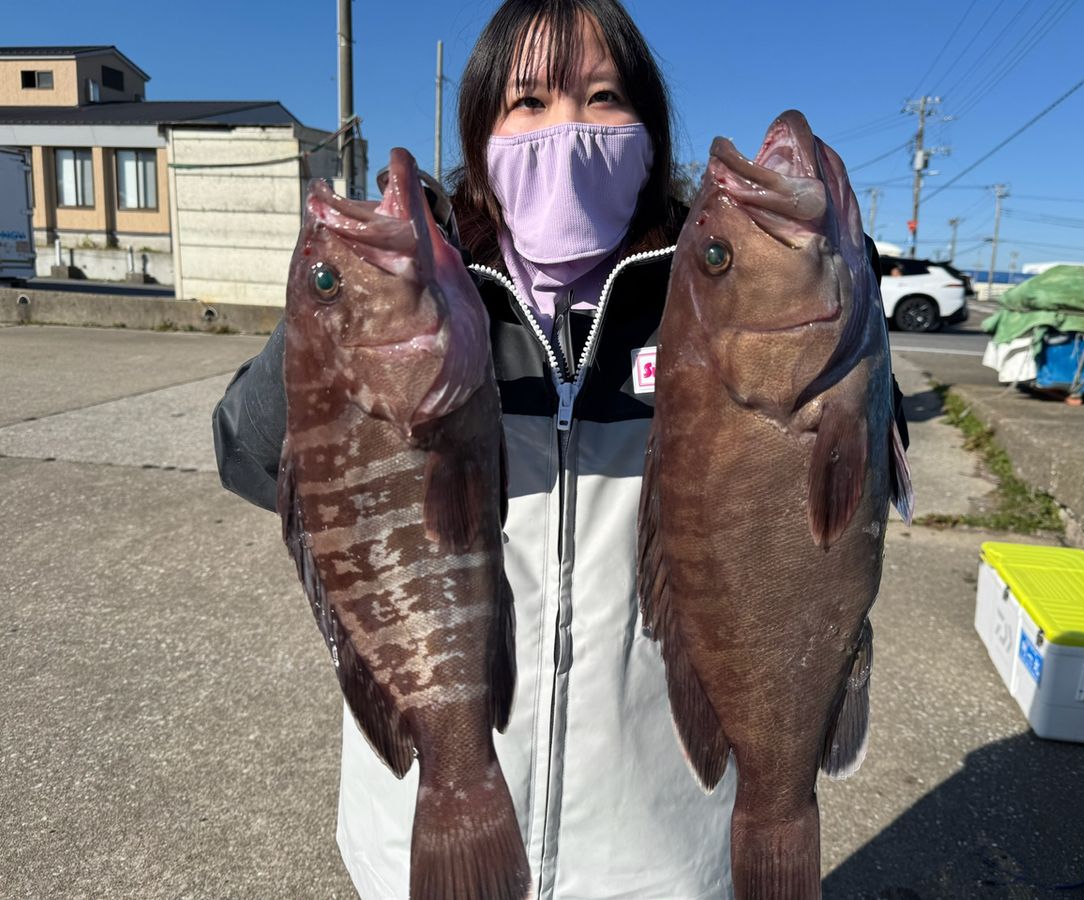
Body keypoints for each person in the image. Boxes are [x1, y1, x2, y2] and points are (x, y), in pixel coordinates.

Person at [212, 1, 895, 896]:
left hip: (656, 852)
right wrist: (328, 326)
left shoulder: (691, 307)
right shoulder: (441, 296)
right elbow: (245, 454)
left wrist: (853, 312)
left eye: (603, 97)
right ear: (481, 135)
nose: (566, 127)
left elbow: (851, 498)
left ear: (650, 136)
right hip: (426, 818)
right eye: (527, 102)